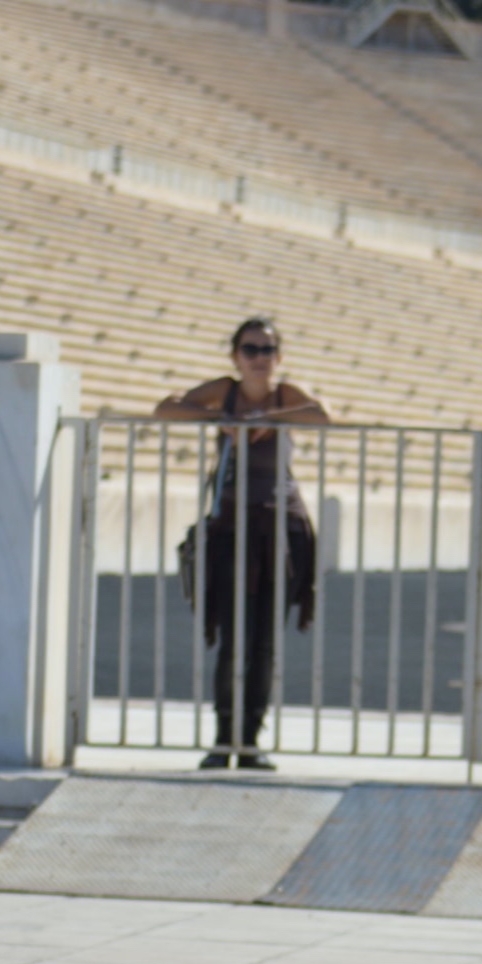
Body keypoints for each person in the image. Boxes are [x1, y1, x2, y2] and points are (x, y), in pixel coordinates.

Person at [155, 317, 329, 768]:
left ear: (279, 357)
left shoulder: (283, 394)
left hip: (281, 528)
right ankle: (223, 739)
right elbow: (166, 409)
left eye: (267, 350)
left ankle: (250, 740)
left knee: (265, 641)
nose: (258, 359)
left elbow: (320, 416)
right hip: (232, 527)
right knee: (234, 636)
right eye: (250, 350)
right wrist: (221, 418)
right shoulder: (225, 391)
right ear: (235, 355)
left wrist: (268, 417)